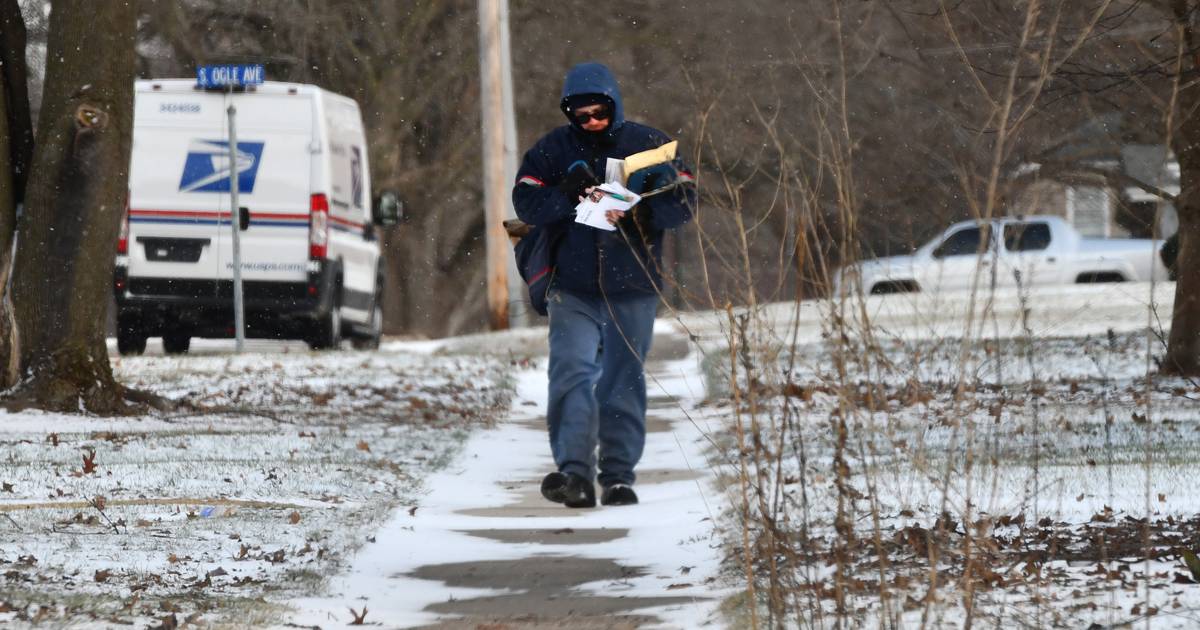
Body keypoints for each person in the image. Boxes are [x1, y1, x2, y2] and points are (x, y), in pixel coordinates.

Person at [512, 62, 695, 508]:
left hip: (633, 284)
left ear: (615, 105)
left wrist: (649, 207)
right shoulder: (551, 149)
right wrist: (565, 195)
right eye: (582, 115)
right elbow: (525, 200)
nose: (592, 122)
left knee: (622, 380)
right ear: (569, 114)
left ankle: (617, 476)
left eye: (600, 113)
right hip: (572, 286)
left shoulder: (649, 144)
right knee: (571, 373)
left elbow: (686, 204)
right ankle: (573, 473)